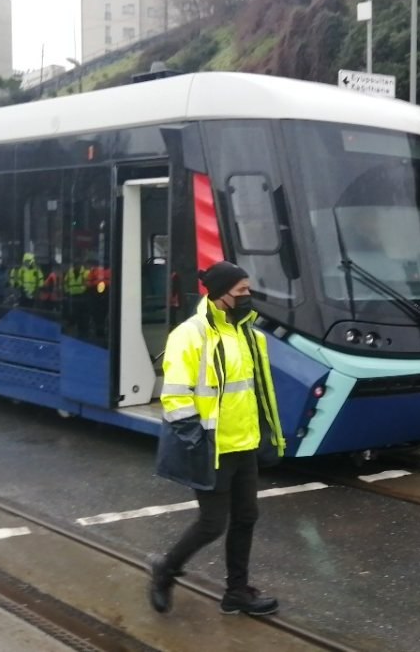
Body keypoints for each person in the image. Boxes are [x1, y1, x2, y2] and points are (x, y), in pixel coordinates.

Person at [149, 261, 287, 618]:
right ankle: (165, 571)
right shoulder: (190, 334)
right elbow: (176, 397)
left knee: (246, 518)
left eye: (247, 290)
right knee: (212, 523)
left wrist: (268, 434)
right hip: (212, 446)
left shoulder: (250, 334)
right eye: (241, 291)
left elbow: (256, 392)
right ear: (220, 293)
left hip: (245, 443)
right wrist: (196, 440)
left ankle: (237, 593)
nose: (247, 296)